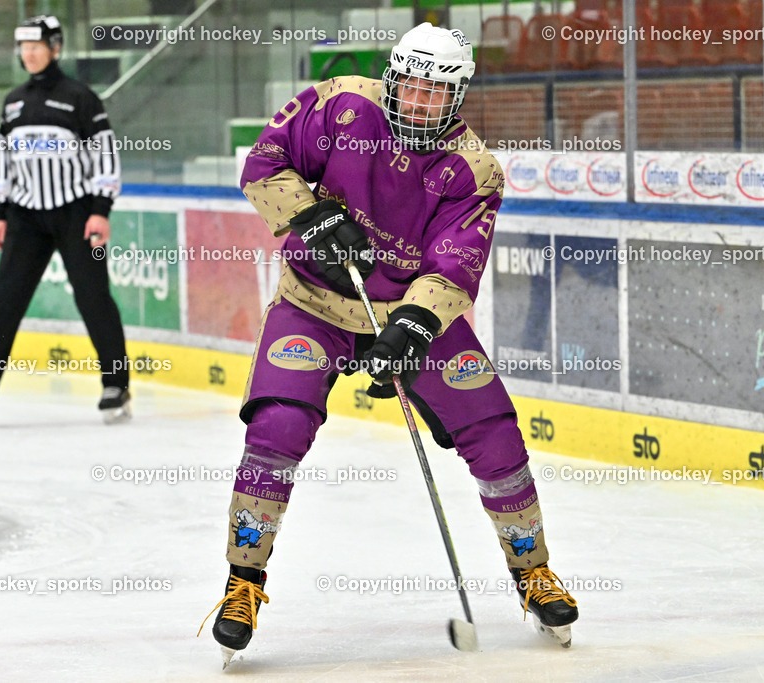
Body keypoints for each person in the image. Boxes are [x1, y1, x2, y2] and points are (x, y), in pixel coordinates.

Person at [201, 22, 578, 661]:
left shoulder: (474, 168)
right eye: (412, 86)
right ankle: (243, 580)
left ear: (458, 98)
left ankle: (532, 569)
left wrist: (411, 327)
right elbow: (266, 161)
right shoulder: (342, 103)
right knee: (277, 428)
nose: (421, 102)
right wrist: (311, 216)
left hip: (406, 310)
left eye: (438, 93)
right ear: (392, 77)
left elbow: (455, 265)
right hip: (313, 303)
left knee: (494, 431)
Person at [0, 15, 131, 425]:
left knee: (93, 296)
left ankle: (116, 383)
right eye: (24, 48)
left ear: (55, 48)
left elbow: (105, 155)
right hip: (24, 216)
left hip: (76, 213)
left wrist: (101, 211)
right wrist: (2, 212)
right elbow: (5, 162)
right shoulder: (13, 102)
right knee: (4, 302)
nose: (29, 54)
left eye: (37, 46)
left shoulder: (80, 98)